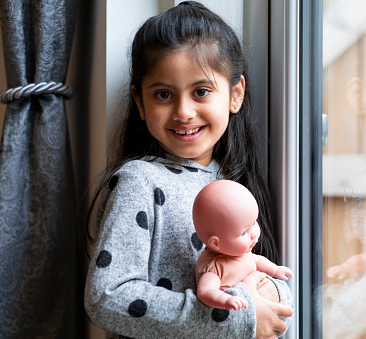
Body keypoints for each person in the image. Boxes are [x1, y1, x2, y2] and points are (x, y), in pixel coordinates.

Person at [84, 2, 294, 338]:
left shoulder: (234, 180)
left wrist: (274, 297)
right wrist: (239, 318)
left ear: (235, 94)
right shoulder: (138, 181)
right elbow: (107, 297)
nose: (183, 112)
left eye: (201, 91)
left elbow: (255, 273)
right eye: (164, 94)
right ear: (140, 102)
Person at [193, 180, 293, 311]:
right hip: (237, 312)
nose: (254, 234)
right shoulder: (215, 268)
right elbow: (205, 292)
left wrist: (274, 270)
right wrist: (226, 300)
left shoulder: (241, 253)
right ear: (216, 243)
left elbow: (257, 260)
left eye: (253, 223)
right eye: (243, 233)